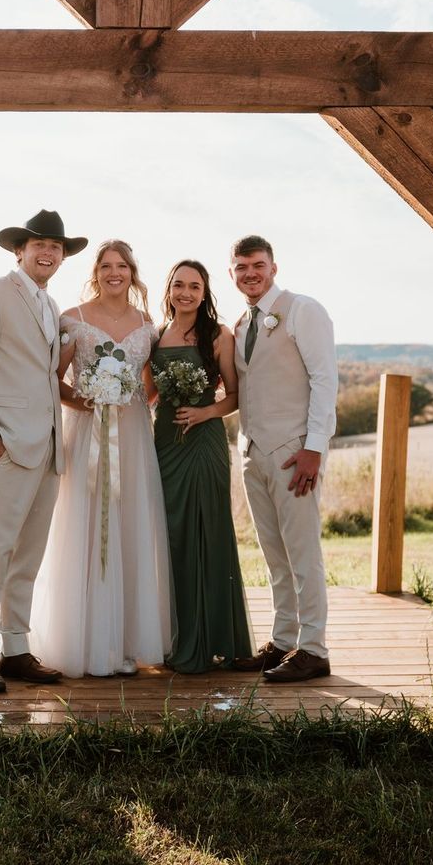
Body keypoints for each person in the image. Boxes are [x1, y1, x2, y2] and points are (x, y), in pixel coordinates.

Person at [0, 209, 83, 693]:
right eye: (39, 245)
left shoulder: (51, 306)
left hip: (48, 447)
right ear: (19, 251)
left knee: (28, 554)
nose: (49, 252)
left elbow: (46, 376)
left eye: (56, 247)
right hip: (8, 445)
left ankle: (16, 648)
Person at [31, 240, 171, 677]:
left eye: (122, 266)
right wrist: (90, 400)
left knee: (130, 525)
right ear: (96, 272)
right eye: (107, 266)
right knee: (84, 525)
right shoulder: (73, 319)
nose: (115, 273)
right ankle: (84, 640)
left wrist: (125, 399)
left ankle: (127, 641)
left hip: (132, 437)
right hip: (87, 435)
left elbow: (150, 386)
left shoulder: (147, 324)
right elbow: (53, 380)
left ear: (133, 271)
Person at [228, 235, 338, 683]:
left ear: (274, 267)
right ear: (232, 272)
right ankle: (283, 639)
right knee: (275, 555)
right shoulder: (240, 323)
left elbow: (325, 379)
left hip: (295, 453)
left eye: (258, 265)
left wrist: (315, 447)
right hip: (252, 452)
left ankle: (314, 648)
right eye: (241, 267)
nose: (250, 273)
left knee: (302, 553)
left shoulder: (302, 310)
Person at [149, 260, 252, 673]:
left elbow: (235, 395)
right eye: (179, 285)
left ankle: (215, 638)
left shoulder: (218, 335)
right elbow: (147, 393)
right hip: (164, 443)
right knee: (171, 534)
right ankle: (174, 634)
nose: (186, 293)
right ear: (169, 289)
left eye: (194, 286)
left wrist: (205, 413)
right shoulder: (156, 335)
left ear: (205, 291)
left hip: (205, 442)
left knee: (209, 532)